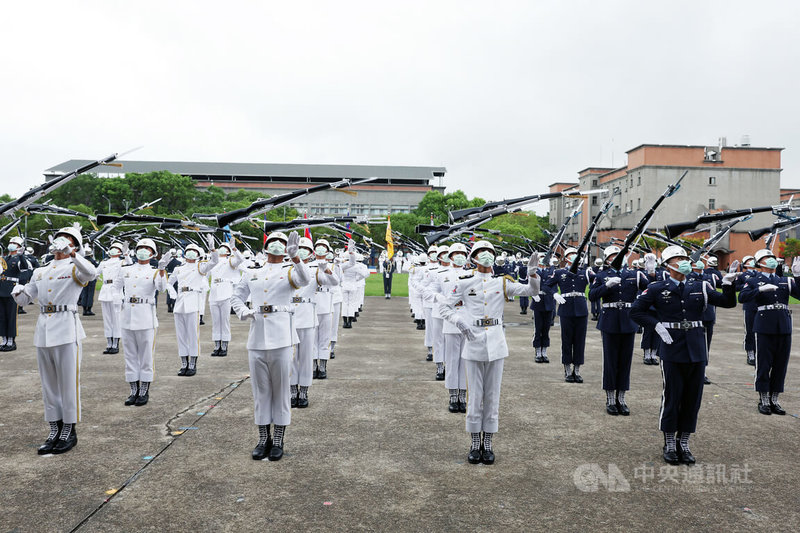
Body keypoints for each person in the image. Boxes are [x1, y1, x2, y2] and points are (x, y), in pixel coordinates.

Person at [631, 245, 738, 464]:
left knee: (692, 397)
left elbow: (728, 303)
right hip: (672, 347)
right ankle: (670, 441)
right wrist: (657, 326)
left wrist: (728, 284)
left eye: (685, 258)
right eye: (679, 258)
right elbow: (636, 311)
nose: (685, 262)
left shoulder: (702, 286)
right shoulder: (656, 288)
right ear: (669, 265)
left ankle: (684, 441)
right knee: (673, 395)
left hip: (696, 347)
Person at [437, 241, 540, 465]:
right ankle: (475, 442)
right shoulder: (464, 282)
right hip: (473, 341)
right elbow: (444, 307)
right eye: (482, 253)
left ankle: (489, 442)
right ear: (473, 258)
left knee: (492, 395)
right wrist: (459, 322)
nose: (487, 257)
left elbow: (532, 291)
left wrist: (532, 273)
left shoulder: (502, 282)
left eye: (490, 253)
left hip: (496, 342)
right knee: (474, 396)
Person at [11, 226, 97, 454]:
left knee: (68, 383)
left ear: (74, 245)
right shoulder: (41, 270)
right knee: (49, 385)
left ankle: (69, 428)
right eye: (59, 238)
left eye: (67, 239)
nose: (61, 242)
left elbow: (91, 274)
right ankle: (54, 427)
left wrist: (73, 254)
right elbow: (26, 299)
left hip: (67, 328)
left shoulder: (75, 267)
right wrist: (18, 293)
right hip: (44, 328)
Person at [231, 231, 310, 461]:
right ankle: (263, 437)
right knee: (261, 390)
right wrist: (243, 311)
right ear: (265, 247)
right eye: (273, 242)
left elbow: (304, 280)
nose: (277, 245)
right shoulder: (252, 272)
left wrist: (296, 259)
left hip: (282, 337)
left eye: (282, 243)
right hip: (257, 336)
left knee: (281, 389)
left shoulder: (290, 271)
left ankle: (278, 439)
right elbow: (236, 297)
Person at [588, 245, 651, 416]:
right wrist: (606, 286)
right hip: (609, 321)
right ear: (608, 259)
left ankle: (621, 397)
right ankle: (610, 398)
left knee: (625, 361)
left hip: (628, 321)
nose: (617, 258)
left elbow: (654, 289)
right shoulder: (601, 276)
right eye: (614, 256)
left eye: (620, 255)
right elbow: (592, 296)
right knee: (610, 361)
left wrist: (652, 273)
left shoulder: (634, 274)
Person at [738, 249, 800, 415]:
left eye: (772, 258)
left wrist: (798, 276)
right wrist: (759, 290)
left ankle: (774, 398)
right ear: (760, 263)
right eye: (767, 258)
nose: (771, 260)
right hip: (764, 325)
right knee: (764, 364)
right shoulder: (753, 280)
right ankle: (764, 398)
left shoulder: (784, 280)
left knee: (781, 364)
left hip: (784, 325)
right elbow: (742, 297)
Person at [114, 239, 169, 406]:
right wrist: (119, 302)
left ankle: (144, 389)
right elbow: (116, 287)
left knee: (145, 356)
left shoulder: (154, 271)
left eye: (147, 249)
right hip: (127, 316)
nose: (143, 251)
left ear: (152, 254)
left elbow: (161, 288)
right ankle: (133, 389)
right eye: (141, 248)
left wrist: (161, 270)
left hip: (145, 316)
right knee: (130, 355)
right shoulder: (125, 270)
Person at [291, 237, 337, 400]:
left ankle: (303, 390)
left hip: (308, 314)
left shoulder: (316, 268)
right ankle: (292, 390)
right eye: (299, 248)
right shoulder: (286, 267)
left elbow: (334, 282)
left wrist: (326, 269)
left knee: (305, 357)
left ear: (311, 254)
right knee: (291, 357)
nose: (302, 251)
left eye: (306, 249)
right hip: (289, 315)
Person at [167, 238, 218, 376]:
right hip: (180, 302)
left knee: (193, 335)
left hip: (192, 302)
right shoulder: (178, 268)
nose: (190, 253)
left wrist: (213, 249)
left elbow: (214, 262)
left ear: (197, 254)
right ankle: (184, 363)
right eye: (188, 251)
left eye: (193, 251)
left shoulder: (200, 267)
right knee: (181, 335)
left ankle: (193, 363)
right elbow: (169, 282)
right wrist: (172, 293)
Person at [550, 248, 590, 383]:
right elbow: (546, 286)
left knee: (580, 341)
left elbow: (598, 282)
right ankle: (567, 369)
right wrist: (554, 294)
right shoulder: (560, 272)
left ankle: (577, 370)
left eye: (575, 255)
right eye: (571, 255)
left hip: (581, 309)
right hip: (566, 309)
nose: (574, 257)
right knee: (566, 341)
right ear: (566, 258)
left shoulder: (585, 273)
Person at [208, 242, 244, 357]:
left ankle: (224, 345)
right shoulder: (213, 262)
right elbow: (205, 274)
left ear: (228, 251)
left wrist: (234, 248)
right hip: (214, 293)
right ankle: (217, 345)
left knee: (225, 320)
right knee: (216, 321)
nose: (222, 250)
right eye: (221, 248)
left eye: (225, 248)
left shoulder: (230, 261)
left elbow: (240, 259)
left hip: (225, 293)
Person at [311, 239, 338, 380]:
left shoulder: (331, 266)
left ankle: (323, 365)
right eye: (318, 247)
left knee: (324, 338)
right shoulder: (308, 265)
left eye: (323, 248)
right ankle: (314, 364)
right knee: (313, 338)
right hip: (312, 304)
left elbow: (336, 281)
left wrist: (326, 269)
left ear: (327, 251)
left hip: (326, 304)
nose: (320, 250)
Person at [96, 242, 129, 354]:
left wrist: (126, 254)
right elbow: (94, 273)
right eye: (112, 248)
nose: (113, 250)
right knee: (107, 320)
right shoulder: (104, 262)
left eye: (116, 249)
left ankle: (115, 343)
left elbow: (130, 264)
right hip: (105, 291)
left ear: (119, 251)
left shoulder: (121, 262)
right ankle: (108, 343)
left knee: (116, 319)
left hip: (116, 291)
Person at [0, 236, 30, 351]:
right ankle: (4, 340)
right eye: (11, 242)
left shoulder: (19, 259)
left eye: (14, 243)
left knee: (11, 317)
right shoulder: (4, 258)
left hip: (12, 291)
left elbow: (24, 271)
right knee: (1, 317)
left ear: (19, 247)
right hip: (1, 289)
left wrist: (22, 255)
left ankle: (11, 341)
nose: (11, 244)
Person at [531, 254, 556, 363]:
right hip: (538, 301)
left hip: (549, 301)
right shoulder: (535, 272)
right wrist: (533, 294)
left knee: (546, 329)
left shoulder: (552, 272)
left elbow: (553, 286)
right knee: (538, 328)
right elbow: (530, 285)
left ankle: (544, 351)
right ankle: (537, 351)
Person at [737, 255, 758, 366]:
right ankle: (750, 352)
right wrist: (747, 286)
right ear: (745, 264)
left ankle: (758, 351)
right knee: (749, 330)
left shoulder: (759, 274)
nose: (752, 262)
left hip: (759, 305)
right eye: (749, 260)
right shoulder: (743, 275)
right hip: (749, 305)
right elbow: (736, 287)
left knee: (759, 331)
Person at [341, 250, 368, 329]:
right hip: (353, 285)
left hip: (344, 285)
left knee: (345, 303)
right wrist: (357, 279)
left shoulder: (343, 265)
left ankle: (345, 322)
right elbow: (366, 274)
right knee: (352, 303)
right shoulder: (355, 266)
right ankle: (349, 322)